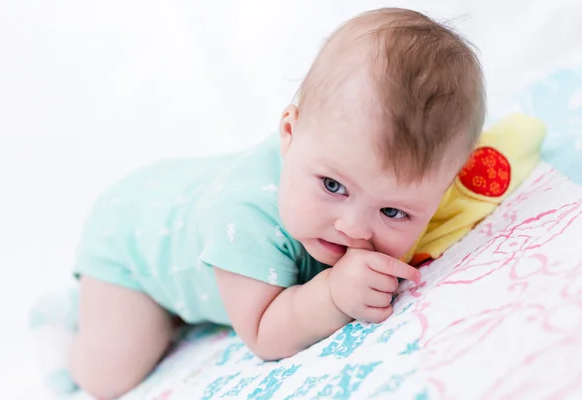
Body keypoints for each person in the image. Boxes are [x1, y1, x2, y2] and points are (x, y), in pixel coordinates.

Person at [69, 8, 486, 399]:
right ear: (290, 132)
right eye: (332, 186)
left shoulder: (350, 157)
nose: (354, 228)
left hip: (183, 200)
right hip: (134, 245)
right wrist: (333, 294)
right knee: (110, 375)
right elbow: (264, 334)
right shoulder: (245, 217)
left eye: (393, 212)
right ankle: (64, 323)